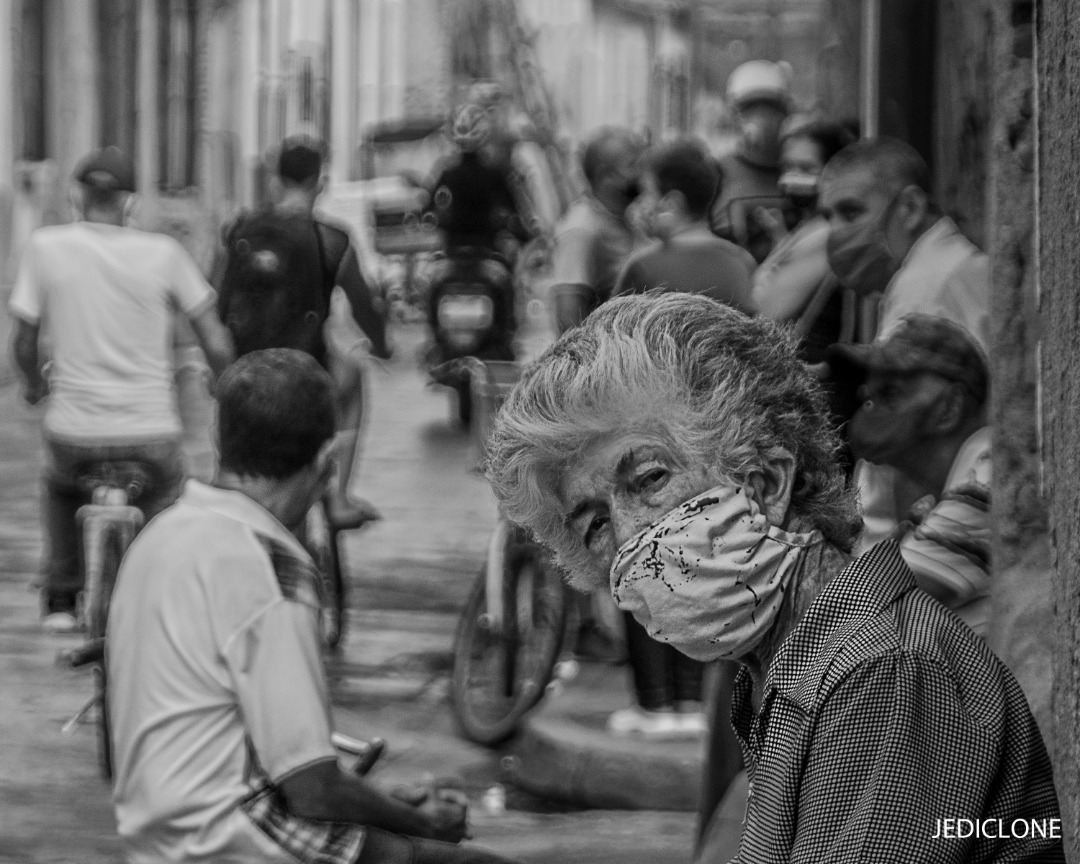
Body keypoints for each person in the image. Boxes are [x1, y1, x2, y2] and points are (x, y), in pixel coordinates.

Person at [483, 293, 1063, 863]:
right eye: (596, 525)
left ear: (765, 483)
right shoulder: (792, 666)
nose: (632, 534)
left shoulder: (883, 669)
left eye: (650, 479)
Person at [108, 349, 520, 864]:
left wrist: (384, 804)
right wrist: (423, 822)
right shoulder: (271, 564)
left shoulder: (158, 536)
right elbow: (310, 788)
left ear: (222, 443)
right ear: (326, 462)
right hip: (230, 837)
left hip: (154, 832)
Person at [7, 146, 234, 634]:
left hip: (74, 433)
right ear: (130, 204)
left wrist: (32, 386)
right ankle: (159, 592)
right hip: (151, 433)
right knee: (168, 492)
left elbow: (24, 340)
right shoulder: (164, 253)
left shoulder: (45, 247)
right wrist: (225, 383)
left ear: (76, 197)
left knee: (59, 484)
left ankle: (63, 594)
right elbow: (213, 335)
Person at [819, 136, 991, 545]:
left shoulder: (924, 288)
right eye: (828, 216)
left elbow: (907, 437)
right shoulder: (948, 268)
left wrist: (879, 555)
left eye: (851, 211)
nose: (836, 233)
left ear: (910, 208)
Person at [216, 135, 390, 530]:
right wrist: (382, 345)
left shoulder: (239, 230)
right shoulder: (332, 240)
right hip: (305, 370)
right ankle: (341, 499)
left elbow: (217, 304)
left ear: (276, 181)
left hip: (245, 366)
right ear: (320, 182)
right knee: (354, 375)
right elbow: (365, 307)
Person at [831, 315, 992, 637]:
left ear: (949, 407)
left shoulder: (987, 472)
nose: (869, 405)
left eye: (891, 393)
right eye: (868, 394)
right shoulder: (928, 506)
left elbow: (866, 613)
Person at [748, 117, 858, 364]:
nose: (792, 177)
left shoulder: (826, 234)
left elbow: (767, 309)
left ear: (834, 172)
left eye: (807, 169)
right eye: (787, 167)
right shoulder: (807, 226)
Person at [614, 138, 755, 311]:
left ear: (672, 204)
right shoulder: (742, 262)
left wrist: (641, 243)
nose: (639, 203)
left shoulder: (643, 267)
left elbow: (607, 328)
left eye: (646, 193)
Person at [549, 126, 644, 334]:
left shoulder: (627, 220)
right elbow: (568, 317)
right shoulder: (581, 230)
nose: (642, 174)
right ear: (604, 175)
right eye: (633, 165)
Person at [710, 60, 793, 264]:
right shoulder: (718, 172)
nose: (760, 117)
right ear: (734, 114)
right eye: (748, 108)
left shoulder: (798, 169)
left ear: (785, 111)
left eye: (770, 106)